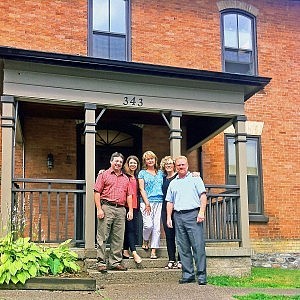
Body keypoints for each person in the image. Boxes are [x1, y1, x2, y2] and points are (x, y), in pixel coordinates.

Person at [166, 155, 207, 285]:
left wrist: (201, 212)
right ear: (175, 167)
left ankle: (201, 276)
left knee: (198, 246)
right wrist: (169, 217)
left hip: (193, 215)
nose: (181, 167)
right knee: (183, 247)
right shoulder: (173, 182)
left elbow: (203, 196)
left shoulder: (195, 179)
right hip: (178, 216)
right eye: (178, 165)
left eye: (183, 164)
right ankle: (188, 274)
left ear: (187, 165)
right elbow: (169, 202)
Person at [94, 152, 133, 273]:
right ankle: (101, 262)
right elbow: (97, 192)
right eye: (116, 161)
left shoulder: (126, 178)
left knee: (118, 237)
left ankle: (115, 262)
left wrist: (130, 210)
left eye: (120, 162)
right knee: (102, 235)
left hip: (121, 209)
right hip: (107, 207)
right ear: (111, 162)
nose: (118, 163)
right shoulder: (104, 175)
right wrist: (99, 209)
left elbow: (129, 195)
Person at [138, 150, 164, 259]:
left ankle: (154, 250)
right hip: (146, 202)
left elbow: (175, 172)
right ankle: (145, 239)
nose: (150, 160)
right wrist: (147, 203)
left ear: (155, 160)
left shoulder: (161, 173)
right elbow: (141, 188)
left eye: (152, 158)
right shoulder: (142, 173)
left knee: (157, 227)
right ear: (145, 161)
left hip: (159, 202)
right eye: (148, 159)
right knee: (148, 225)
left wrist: (194, 174)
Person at [160, 156, 181, 269]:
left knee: (180, 235)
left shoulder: (179, 177)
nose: (168, 165)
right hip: (165, 209)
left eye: (170, 163)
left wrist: (195, 174)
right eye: (166, 164)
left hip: (177, 209)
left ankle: (181, 260)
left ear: (174, 165)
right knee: (169, 235)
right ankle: (171, 259)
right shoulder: (163, 178)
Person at [122, 155, 143, 265]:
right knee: (130, 229)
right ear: (127, 164)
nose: (133, 165)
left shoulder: (137, 176)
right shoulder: (124, 176)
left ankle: (125, 251)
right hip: (125, 206)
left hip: (135, 206)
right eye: (131, 163)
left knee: (129, 229)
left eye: (135, 163)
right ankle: (134, 252)